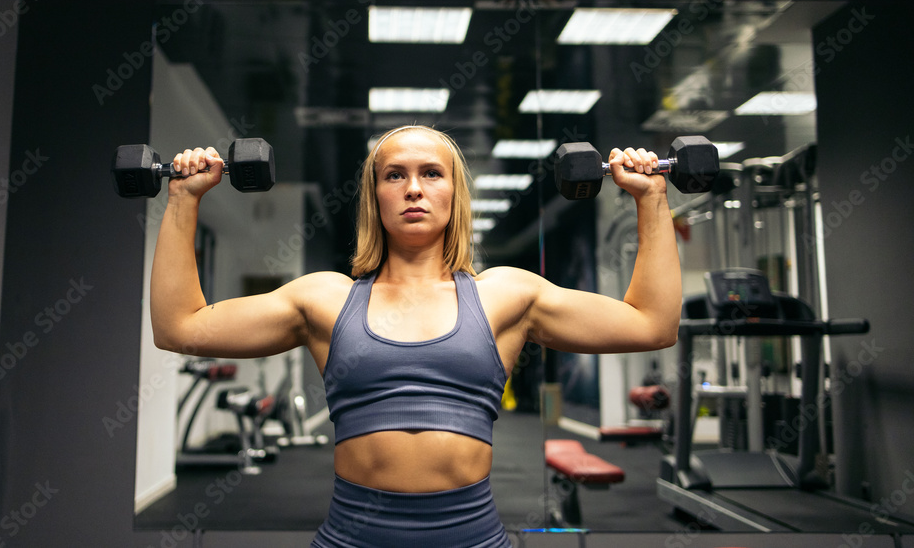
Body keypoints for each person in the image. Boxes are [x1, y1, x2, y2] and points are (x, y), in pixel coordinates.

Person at [150, 124, 681, 547]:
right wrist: (183, 200)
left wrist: (652, 198)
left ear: (455, 193)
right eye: (394, 175)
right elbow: (180, 328)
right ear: (374, 195)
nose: (413, 189)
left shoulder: (505, 296)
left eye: (432, 174)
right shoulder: (323, 299)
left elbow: (652, 324)